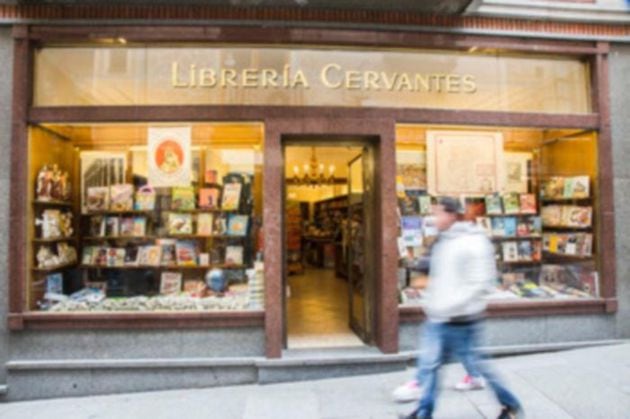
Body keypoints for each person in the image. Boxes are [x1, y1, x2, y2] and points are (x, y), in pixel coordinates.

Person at [403, 197, 522, 419]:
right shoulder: (443, 240)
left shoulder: (473, 241)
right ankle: (424, 412)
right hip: (439, 316)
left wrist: (451, 304)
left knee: (477, 365)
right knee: (431, 366)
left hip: (462, 318)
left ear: (451, 215)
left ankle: (511, 405)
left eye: (438, 213)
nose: (434, 217)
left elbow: (481, 281)